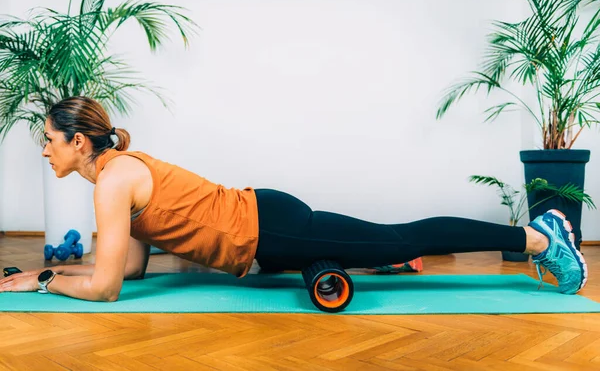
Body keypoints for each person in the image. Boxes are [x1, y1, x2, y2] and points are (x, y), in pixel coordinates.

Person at [0, 96, 588, 301]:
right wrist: (53, 268)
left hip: (271, 230)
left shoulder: (111, 179)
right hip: (269, 230)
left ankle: (539, 237)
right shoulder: (115, 174)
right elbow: (127, 265)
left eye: (49, 141)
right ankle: (383, 255)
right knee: (382, 244)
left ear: (79, 141)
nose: (45, 152)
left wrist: (44, 280)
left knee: (403, 235)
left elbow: (105, 289)